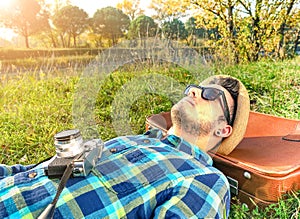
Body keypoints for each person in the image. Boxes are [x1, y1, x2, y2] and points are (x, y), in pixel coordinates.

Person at [0, 75, 250, 219]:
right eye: (194, 88)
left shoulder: (206, 178)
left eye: (210, 95)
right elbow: (36, 169)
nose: (195, 91)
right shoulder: (133, 139)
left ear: (223, 130)